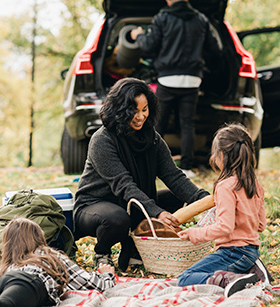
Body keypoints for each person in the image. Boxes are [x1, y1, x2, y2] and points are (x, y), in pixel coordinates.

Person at [73, 77, 210, 272]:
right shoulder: (102, 140)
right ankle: (102, 253)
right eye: (133, 111)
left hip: (132, 204)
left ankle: (134, 247)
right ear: (119, 110)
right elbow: (124, 185)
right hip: (96, 206)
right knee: (118, 219)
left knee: (175, 198)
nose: (140, 116)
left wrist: (204, 200)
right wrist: (157, 212)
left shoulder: (152, 138)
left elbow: (174, 176)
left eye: (144, 109)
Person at [130, 0, 222, 177]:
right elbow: (216, 49)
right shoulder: (201, 19)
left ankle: (151, 165)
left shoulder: (163, 18)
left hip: (168, 78)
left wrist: (138, 35)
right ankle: (186, 167)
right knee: (187, 124)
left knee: (158, 123)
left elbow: (148, 47)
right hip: (193, 80)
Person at [177, 123, 266, 297]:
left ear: (221, 156)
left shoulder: (225, 187)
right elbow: (261, 225)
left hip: (233, 252)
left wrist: (195, 233)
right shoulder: (256, 185)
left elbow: (225, 227)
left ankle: (229, 280)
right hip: (251, 251)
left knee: (185, 278)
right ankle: (252, 269)